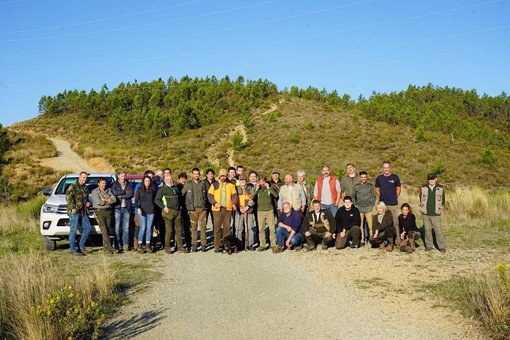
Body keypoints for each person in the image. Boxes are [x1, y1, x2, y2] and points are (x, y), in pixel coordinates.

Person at [207, 169, 238, 253]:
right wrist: (214, 203)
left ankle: (226, 245)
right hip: (217, 209)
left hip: (228, 209)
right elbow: (209, 195)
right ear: (219, 176)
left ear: (226, 176)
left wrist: (234, 203)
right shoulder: (215, 184)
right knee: (217, 228)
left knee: (227, 228)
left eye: (224, 176)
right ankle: (217, 246)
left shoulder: (231, 185)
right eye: (221, 176)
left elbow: (234, 195)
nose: (223, 177)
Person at [154, 174, 186, 254]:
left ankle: (180, 247)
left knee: (178, 230)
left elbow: (179, 198)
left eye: (171, 179)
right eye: (168, 179)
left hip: (177, 211)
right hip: (168, 212)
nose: (169, 181)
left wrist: (180, 206)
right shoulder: (162, 189)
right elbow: (157, 200)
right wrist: (164, 207)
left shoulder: (175, 188)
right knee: (169, 231)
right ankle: (167, 247)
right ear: (165, 181)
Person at [66, 171, 93, 256]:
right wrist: (72, 207)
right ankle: (73, 249)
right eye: (83, 177)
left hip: (83, 211)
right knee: (73, 230)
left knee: (88, 227)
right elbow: (68, 197)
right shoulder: (73, 186)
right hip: (75, 211)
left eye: (86, 178)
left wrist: (87, 203)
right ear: (79, 177)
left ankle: (81, 247)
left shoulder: (85, 187)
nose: (85, 179)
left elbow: (86, 198)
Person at [419, 173, 446, 253]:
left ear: (436, 179)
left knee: (438, 230)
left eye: (433, 179)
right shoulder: (423, 187)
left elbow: (443, 200)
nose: (431, 181)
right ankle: (429, 245)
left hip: (436, 213)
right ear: (428, 180)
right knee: (427, 230)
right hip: (426, 213)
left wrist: (439, 208)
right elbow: (420, 198)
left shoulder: (440, 188)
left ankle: (441, 246)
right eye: (430, 179)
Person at [182, 168, 208, 252]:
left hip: (202, 209)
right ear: (192, 174)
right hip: (192, 209)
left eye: (197, 174)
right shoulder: (188, 184)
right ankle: (194, 244)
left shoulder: (203, 183)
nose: (196, 175)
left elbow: (208, 195)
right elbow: (182, 194)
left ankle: (203, 244)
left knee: (203, 227)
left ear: (199, 174)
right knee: (194, 228)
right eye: (194, 174)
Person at [375, 161, 401, 237]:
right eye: (385, 167)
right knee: (382, 222)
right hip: (383, 204)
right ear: (382, 168)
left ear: (390, 168)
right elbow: (377, 189)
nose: (386, 169)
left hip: (393, 204)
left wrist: (394, 197)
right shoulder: (379, 178)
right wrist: (381, 197)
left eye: (388, 167)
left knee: (395, 222)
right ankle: (383, 239)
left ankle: (397, 239)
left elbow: (398, 189)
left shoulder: (395, 177)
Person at [91, 177, 117, 254]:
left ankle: (106, 249)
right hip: (99, 212)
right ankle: (110, 247)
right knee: (104, 230)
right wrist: (108, 200)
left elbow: (114, 199)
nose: (104, 185)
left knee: (107, 230)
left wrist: (105, 200)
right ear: (98, 184)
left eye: (105, 183)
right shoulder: (94, 192)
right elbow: (98, 201)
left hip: (108, 211)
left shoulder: (108, 191)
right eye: (102, 183)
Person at [254, 175, 278, 251]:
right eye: (260, 181)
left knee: (272, 228)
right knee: (261, 229)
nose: (262, 183)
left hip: (269, 210)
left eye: (263, 181)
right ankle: (263, 245)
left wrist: (269, 188)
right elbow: (252, 198)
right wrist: (256, 189)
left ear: (265, 181)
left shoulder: (269, 188)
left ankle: (273, 244)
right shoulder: (257, 189)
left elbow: (275, 195)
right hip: (260, 211)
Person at [112, 170, 134, 252]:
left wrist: (120, 196)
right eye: (121, 176)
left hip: (126, 208)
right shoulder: (115, 184)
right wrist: (124, 192)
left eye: (124, 176)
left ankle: (126, 244)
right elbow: (114, 193)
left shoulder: (129, 184)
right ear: (118, 176)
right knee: (117, 227)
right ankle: (117, 244)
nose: (123, 177)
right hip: (117, 208)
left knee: (126, 228)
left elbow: (131, 194)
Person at [352, 171, 376, 244]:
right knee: (360, 225)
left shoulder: (370, 186)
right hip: (359, 208)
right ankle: (362, 239)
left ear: (367, 177)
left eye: (365, 177)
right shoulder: (356, 186)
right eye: (362, 177)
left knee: (371, 225)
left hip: (368, 208)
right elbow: (353, 196)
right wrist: (355, 204)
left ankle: (371, 239)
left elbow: (373, 196)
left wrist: (372, 204)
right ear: (360, 178)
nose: (363, 179)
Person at [135, 175, 156, 253]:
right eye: (146, 181)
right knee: (142, 228)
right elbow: (136, 201)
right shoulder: (139, 190)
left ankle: (148, 245)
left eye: (149, 181)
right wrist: (138, 208)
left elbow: (155, 201)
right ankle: (140, 245)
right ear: (143, 182)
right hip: (142, 212)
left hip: (151, 211)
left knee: (149, 229)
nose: (147, 182)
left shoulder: (152, 191)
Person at [234, 175, 256, 250]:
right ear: (239, 181)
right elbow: (234, 198)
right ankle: (239, 244)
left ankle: (250, 244)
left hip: (248, 210)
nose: (242, 181)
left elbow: (253, 198)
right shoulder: (236, 188)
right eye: (241, 180)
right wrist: (239, 207)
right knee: (238, 228)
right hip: (239, 210)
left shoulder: (250, 188)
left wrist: (247, 207)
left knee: (250, 228)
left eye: (244, 180)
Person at [177, 172, 191, 250]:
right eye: (181, 178)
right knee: (178, 228)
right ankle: (179, 244)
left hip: (187, 209)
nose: (183, 180)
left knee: (186, 228)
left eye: (184, 178)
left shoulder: (189, 186)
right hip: (179, 209)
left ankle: (188, 244)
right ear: (179, 179)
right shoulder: (176, 187)